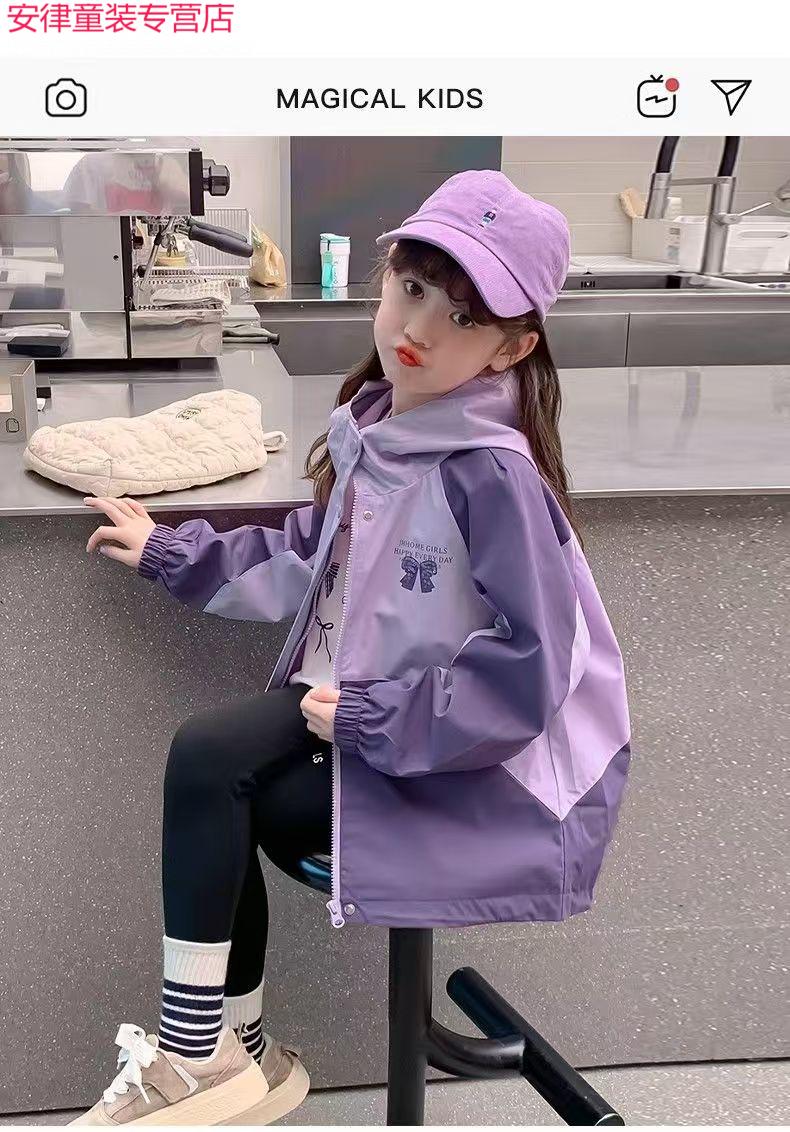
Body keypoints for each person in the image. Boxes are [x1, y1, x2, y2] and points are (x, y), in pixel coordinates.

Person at [74, 170, 632, 1125]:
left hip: (479, 768)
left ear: (512, 347)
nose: (419, 327)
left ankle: (203, 1054)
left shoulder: (488, 474)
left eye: (462, 315)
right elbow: (309, 558)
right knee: (212, 767)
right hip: (371, 720)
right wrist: (171, 550)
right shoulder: (383, 428)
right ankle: (231, 1050)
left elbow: (533, 672)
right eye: (410, 288)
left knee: (212, 765)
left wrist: (382, 715)